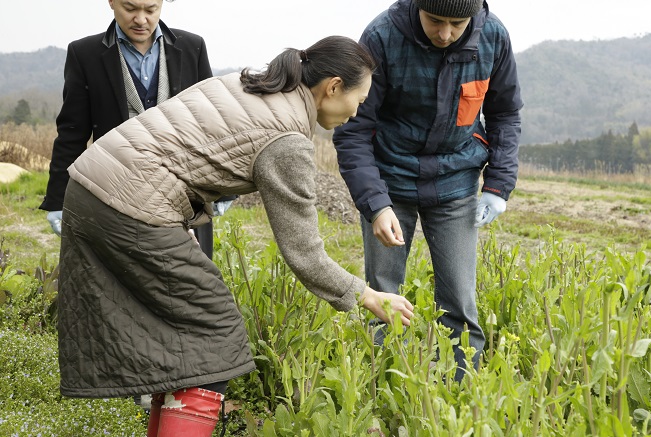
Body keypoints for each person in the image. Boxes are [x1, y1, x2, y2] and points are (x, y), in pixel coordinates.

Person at [57, 35, 415, 436]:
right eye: (360, 101)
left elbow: (180, 149)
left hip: (96, 187)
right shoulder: (288, 140)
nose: (356, 112)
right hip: (130, 203)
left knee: (185, 344)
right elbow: (304, 253)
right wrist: (369, 296)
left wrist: (180, 221)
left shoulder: (252, 84)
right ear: (333, 87)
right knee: (214, 339)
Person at [333, 0, 523, 380]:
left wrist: (498, 185)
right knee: (383, 292)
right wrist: (375, 204)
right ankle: (381, 388)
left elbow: (506, 113)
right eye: (435, 21)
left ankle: (463, 390)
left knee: (459, 297)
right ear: (419, 5)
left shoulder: (492, 37)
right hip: (390, 178)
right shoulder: (382, 37)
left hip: (456, 181)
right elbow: (354, 127)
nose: (445, 33)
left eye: (456, 24)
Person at [40, 0, 225, 258]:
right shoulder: (84, 54)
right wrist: (58, 199)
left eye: (151, 9)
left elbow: (212, 123)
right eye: (130, 8)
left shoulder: (192, 48)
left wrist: (223, 186)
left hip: (186, 195)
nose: (141, 19)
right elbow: (72, 132)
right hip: (117, 193)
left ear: (163, 2)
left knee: (192, 285)